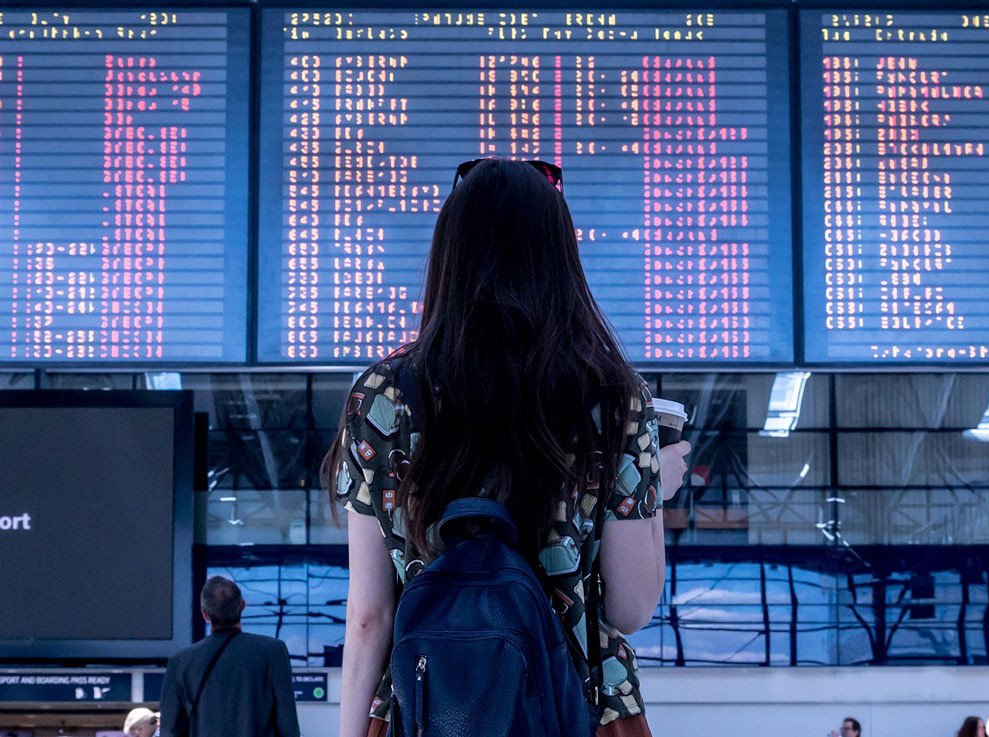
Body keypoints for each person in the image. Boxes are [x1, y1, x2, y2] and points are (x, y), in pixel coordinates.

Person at [323, 158, 691, 737]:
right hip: (582, 709)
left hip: (429, 707)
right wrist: (653, 492)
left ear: (449, 256)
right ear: (558, 259)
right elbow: (629, 607)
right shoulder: (613, 395)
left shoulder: (382, 397)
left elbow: (370, 616)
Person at [159, 576, 300, 737]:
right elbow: (288, 726)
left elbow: (170, 731)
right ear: (243, 606)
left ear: (205, 615)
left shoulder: (180, 662)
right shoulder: (273, 652)